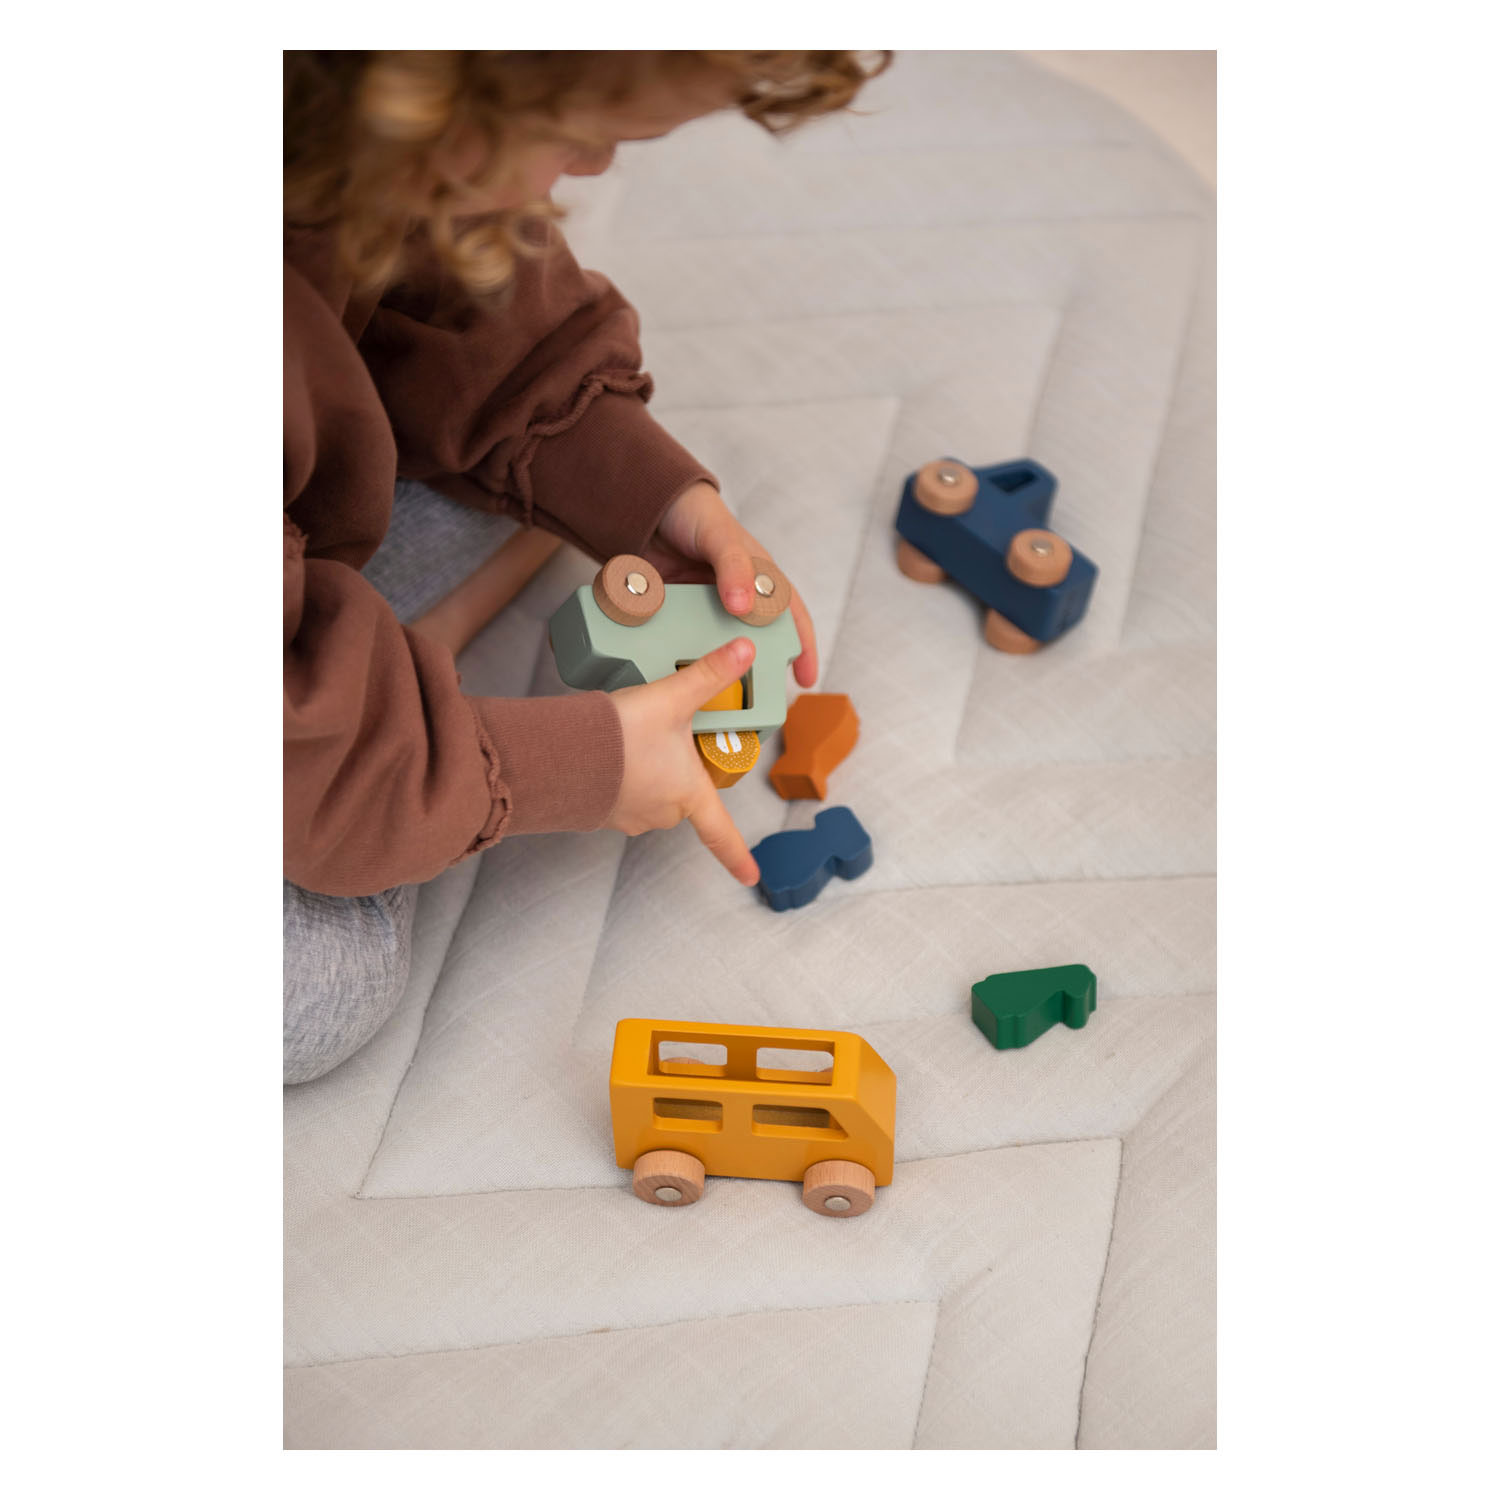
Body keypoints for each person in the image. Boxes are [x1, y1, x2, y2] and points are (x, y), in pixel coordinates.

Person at [284, 50, 890, 1083]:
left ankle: (362, 678)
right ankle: (380, 686)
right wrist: (572, 766)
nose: (598, 167)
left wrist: (656, 499)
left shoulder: (342, 132)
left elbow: (472, 307)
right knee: (321, 989)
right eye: (577, 136)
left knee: (503, 460)